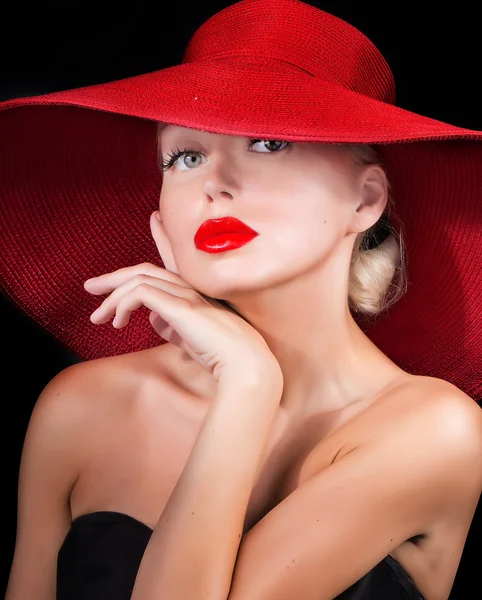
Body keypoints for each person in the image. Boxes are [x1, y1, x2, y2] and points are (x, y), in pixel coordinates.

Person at [1, 0, 481, 598]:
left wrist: (249, 387)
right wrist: (246, 380)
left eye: (269, 142)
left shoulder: (435, 431)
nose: (214, 183)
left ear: (365, 200)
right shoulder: (84, 407)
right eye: (185, 156)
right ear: (160, 224)